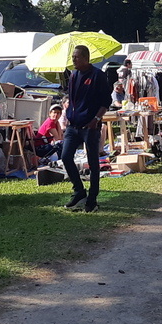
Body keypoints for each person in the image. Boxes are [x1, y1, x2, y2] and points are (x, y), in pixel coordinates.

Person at [60, 45, 111, 213]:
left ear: (86, 58)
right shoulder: (74, 76)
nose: (73, 60)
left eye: (76, 57)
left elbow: (105, 102)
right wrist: (68, 114)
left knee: (93, 163)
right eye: (73, 57)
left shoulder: (97, 75)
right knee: (66, 157)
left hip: (90, 126)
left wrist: (96, 119)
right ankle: (79, 191)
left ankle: (92, 199)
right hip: (73, 126)